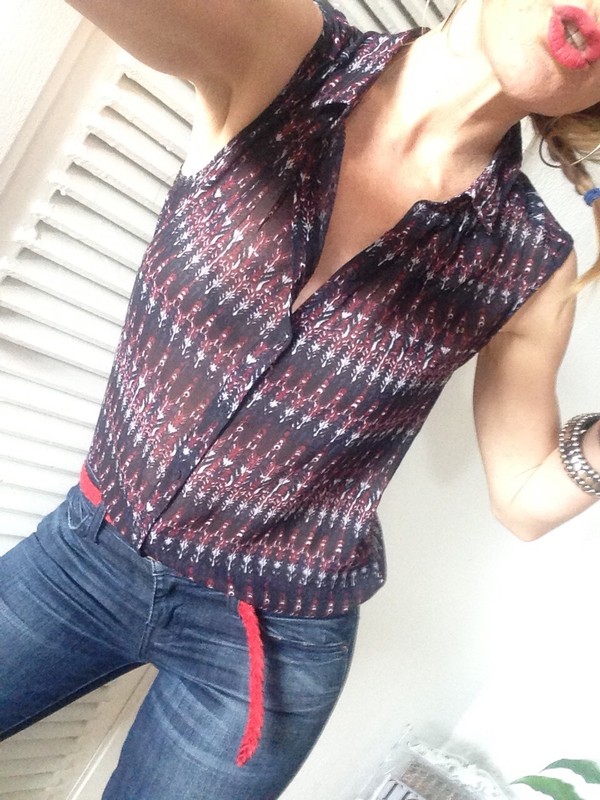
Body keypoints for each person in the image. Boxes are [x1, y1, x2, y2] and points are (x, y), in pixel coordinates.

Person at [1, 0, 599, 797]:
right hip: (83, 554)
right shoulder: (283, 53)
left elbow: (523, 499)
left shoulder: (532, 263)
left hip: (265, 647)